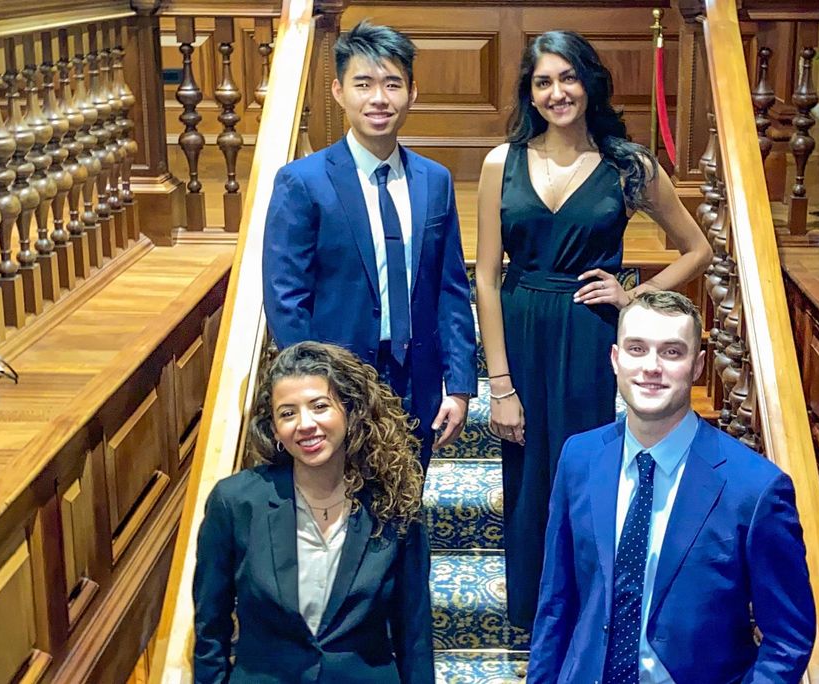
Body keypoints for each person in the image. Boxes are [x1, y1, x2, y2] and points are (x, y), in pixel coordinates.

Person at [475, 30, 713, 628]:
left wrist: (632, 296)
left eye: (568, 77)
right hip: (523, 324)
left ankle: (585, 608)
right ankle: (534, 613)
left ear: (589, 82)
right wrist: (498, 386)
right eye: (543, 82)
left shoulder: (627, 164)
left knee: (587, 472)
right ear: (529, 94)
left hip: (590, 335)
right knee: (528, 476)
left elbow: (696, 249)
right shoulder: (500, 163)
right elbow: (484, 278)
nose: (557, 93)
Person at [528, 291, 817, 683]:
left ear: (697, 365)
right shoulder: (579, 458)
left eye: (671, 352)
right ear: (615, 359)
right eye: (637, 349)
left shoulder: (756, 489)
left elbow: (788, 638)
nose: (651, 367)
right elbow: (556, 604)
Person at [262, 21, 477, 473]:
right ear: (340, 92)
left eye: (392, 84)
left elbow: (451, 289)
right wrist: (312, 389)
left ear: (412, 93)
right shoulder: (303, 182)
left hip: (416, 377)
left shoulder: (433, 181)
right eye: (364, 84)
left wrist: (458, 386)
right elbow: (286, 297)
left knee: (406, 501)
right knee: (342, 511)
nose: (379, 98)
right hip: (335, 382)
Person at [193, 342, 434, 684]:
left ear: (350, 411)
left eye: (320, 406)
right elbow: (210, 628)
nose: (305, 424)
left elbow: (415, 633)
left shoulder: (394, 505)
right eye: (287, 413)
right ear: (274, 428)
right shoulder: (234, 502)